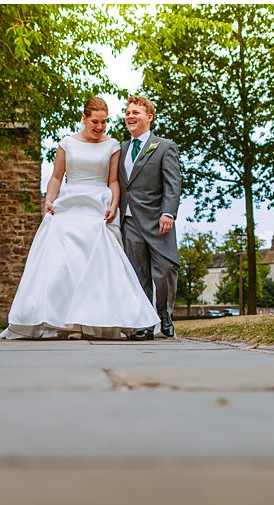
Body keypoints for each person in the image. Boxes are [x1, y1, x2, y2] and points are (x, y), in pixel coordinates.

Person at [0, 97, 159, 340]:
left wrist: (114, 203)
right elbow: (56, 177)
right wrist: (48, 202)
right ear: (84, 118)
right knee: (65, 264)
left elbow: (113, 181)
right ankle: (68, 322)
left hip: (98, 206)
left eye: (104, 122)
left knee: (99, 266)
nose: (99, 127)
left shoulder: (113, 145)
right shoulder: (67, 144)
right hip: (70, 204)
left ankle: (96, 322)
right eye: (95, 121)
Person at [118, 95, 182, 340]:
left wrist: (168, 212)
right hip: (129, 220)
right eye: (127, 112)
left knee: (165, 269)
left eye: (136, 112)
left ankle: (164, 314)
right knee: (138, 273)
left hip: (158, 220)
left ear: (149, 117)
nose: (130, 116)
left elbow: (172, 183)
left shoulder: (165, 146)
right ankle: (144, 323)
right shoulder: (120, 148)